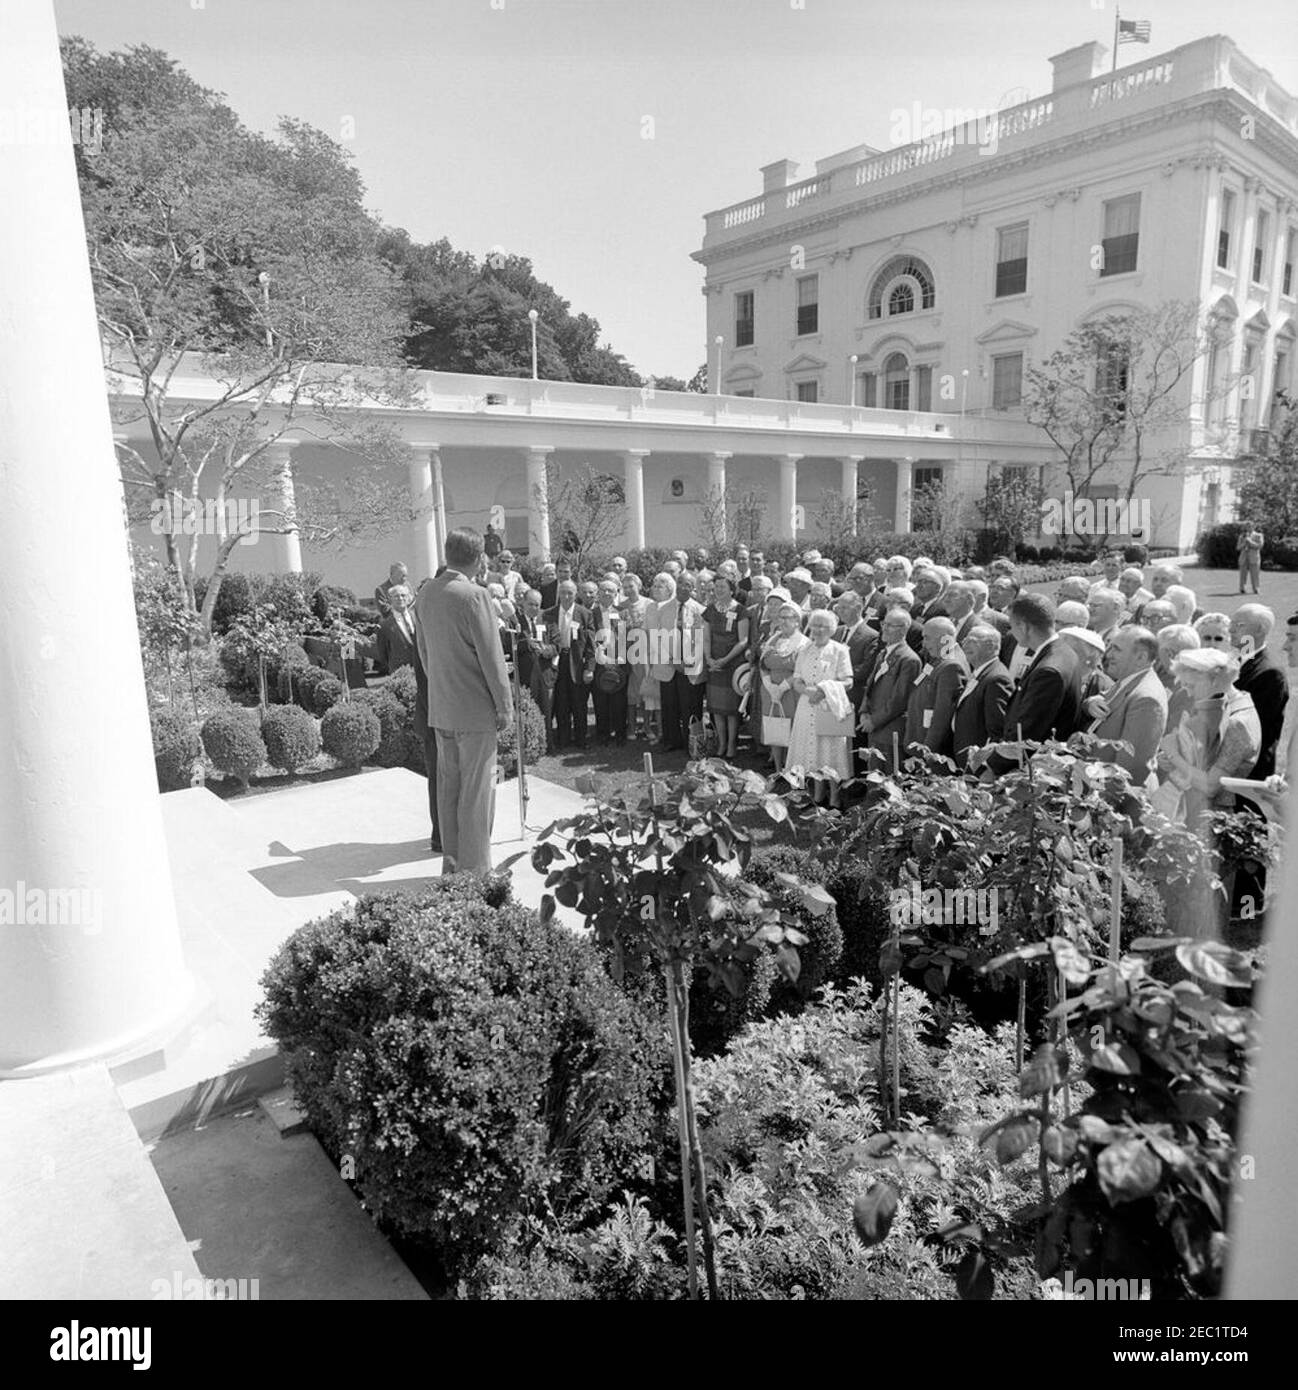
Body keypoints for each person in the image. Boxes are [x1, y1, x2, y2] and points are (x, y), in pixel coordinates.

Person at [414, 528, 513, 876]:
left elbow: (425, 656)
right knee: (476, 793)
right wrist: (504, 706)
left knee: (450, 789)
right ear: (479, 557)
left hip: (442, 707)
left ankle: (452, 862)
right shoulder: (475, 595)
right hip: (474, 712)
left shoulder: (425, 593)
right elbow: (492, 658)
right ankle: (476, 870)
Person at [987, 593, 1082, 775]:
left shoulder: (1049, 671)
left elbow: (1028, 732)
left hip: (1034, 772)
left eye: (1012, 626)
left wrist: (993, 768)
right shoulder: (1064, 651)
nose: (1010, 632)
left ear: (1023, 627)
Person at [1086, 625, 1168, 785]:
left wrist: (1099, 804)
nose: (1108, 654)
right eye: (1109, 647)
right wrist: (1090, 703)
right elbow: (1106, 699)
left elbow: (1129, 769)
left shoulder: (1147, 699)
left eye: (1116, 649)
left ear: (1141, 658)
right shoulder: (1130, 679)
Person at [786, 609, 854, 801]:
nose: (818, 630)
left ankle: (834, 797)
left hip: (830, 707)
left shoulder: (840, 650)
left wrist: (824, 690)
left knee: (830, 752)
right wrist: (809, 692)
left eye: (823, 626)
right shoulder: (804, 650)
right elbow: (797, 680)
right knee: (812, 751)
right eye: (815, 625)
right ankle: (816, 796)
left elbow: (848, 681)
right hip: (807, 706)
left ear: (832, 629)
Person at [859, 607, 921, 773]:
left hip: (889, 729)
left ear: (903, 629)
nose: (884, 628)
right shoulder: (883, 653)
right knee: (873, 775)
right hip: (873, 725)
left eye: (890, 625)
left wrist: (874, 721)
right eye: (884, 623)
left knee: (888, 778)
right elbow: (870, 684)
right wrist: (864, 711)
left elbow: (899, 699)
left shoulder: (909, 659)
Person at [1231, 604, 1288, 778]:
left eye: (1239, 625)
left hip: (1249, 772)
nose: (1231, 629)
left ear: (1259, 630)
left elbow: (1253, 728)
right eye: (1231, 624)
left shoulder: (1270, 673)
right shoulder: (1238, 660)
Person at [545, 579, 596, 749]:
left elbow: (591, 645)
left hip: (577, 662)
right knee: (561, 702)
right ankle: (563, 739)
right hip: (557, 661)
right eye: (563, 593)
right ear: (558, 594)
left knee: (579, 703)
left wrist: (589, 668)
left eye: (570, 593)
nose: (566, 596)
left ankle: (581, 739)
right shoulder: (549, 614)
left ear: (576, 594)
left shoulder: (585, 614)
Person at [953, 623, 1013, 767]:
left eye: (972, 641)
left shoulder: (997, 678)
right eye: (965, 641)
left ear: (991, 647)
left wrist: (989, 765)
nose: (965, 645)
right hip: (966, 757)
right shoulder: (980, 672)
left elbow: (997, 730)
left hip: (979, 764)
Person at [903, 617, 962, 761]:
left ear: (944, 639)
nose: (924, 644)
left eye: (927, 638)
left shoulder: (951, 666)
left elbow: (942, 716)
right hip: (919, 740)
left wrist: (928, 751)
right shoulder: (938, 659)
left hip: (930, 751)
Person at [703, 575, 749, 758]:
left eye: (723, 586)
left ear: (732, 589)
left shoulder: (740, 610)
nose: (719, 590)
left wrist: (726, 659)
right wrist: (709, 658)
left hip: (732, 665)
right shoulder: (709, 610)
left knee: (731, 710)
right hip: (714, 665)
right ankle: (721, 744)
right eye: (716, 586)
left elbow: (743, 640)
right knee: (717, 710)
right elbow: (706, 637)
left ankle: (731, 745)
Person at [758, 601, 807, 772]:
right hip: (770, 690)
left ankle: (792, 769)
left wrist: (783, 687)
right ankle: (778, 769)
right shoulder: (773, 638)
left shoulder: (804, 643)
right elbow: (762, 664)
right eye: (781, 617)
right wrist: (769, 685)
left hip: (792, 691)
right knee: (774, 727)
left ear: (797, 621)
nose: (784, 621)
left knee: (792, 728)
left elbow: (802, 670)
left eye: (788, 617)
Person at [591, 577, 629, 746]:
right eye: (603, 590)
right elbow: (590, 638)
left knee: (619, 701)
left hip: (619, 663)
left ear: (616, 594)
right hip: (599, 663)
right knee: (600, 701)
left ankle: (620, 734)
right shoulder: (590, 613)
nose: (607, 593)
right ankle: (603, 734)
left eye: (611, 590)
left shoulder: (623, 612)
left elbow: (627, 637)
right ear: (598, 593)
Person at [833, 590, 879, 718]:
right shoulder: (836, 631)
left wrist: (837, 674)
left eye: (844, 608)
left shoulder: (871, 636)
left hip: (853, 696)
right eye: (838, 608)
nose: (840, 611)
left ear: (858, 608)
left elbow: (865, 669)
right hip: (832, 695)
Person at [375, 583, 417, 673]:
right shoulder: (384, 625)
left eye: (403, 595)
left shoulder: (418, 617)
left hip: (422, 667)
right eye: (396, 596)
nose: (400, 598)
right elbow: (383, 654)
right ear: (390, 599)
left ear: (409, 598)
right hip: (400, 670)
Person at [1238, 525, 1264, 594]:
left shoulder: (1258, 535)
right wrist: (1243, 543)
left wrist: (1250, 542)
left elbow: (1260, 546)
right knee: (1243, 575)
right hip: (1244, 557)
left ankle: (1256, 589)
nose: (1248, 528)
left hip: (1254, 557)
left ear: (1253, 527)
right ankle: (1242, 588)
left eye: (1250, 526)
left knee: (1255, 574)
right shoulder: (1242, 536)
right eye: (1247, 526)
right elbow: (1238, 547)